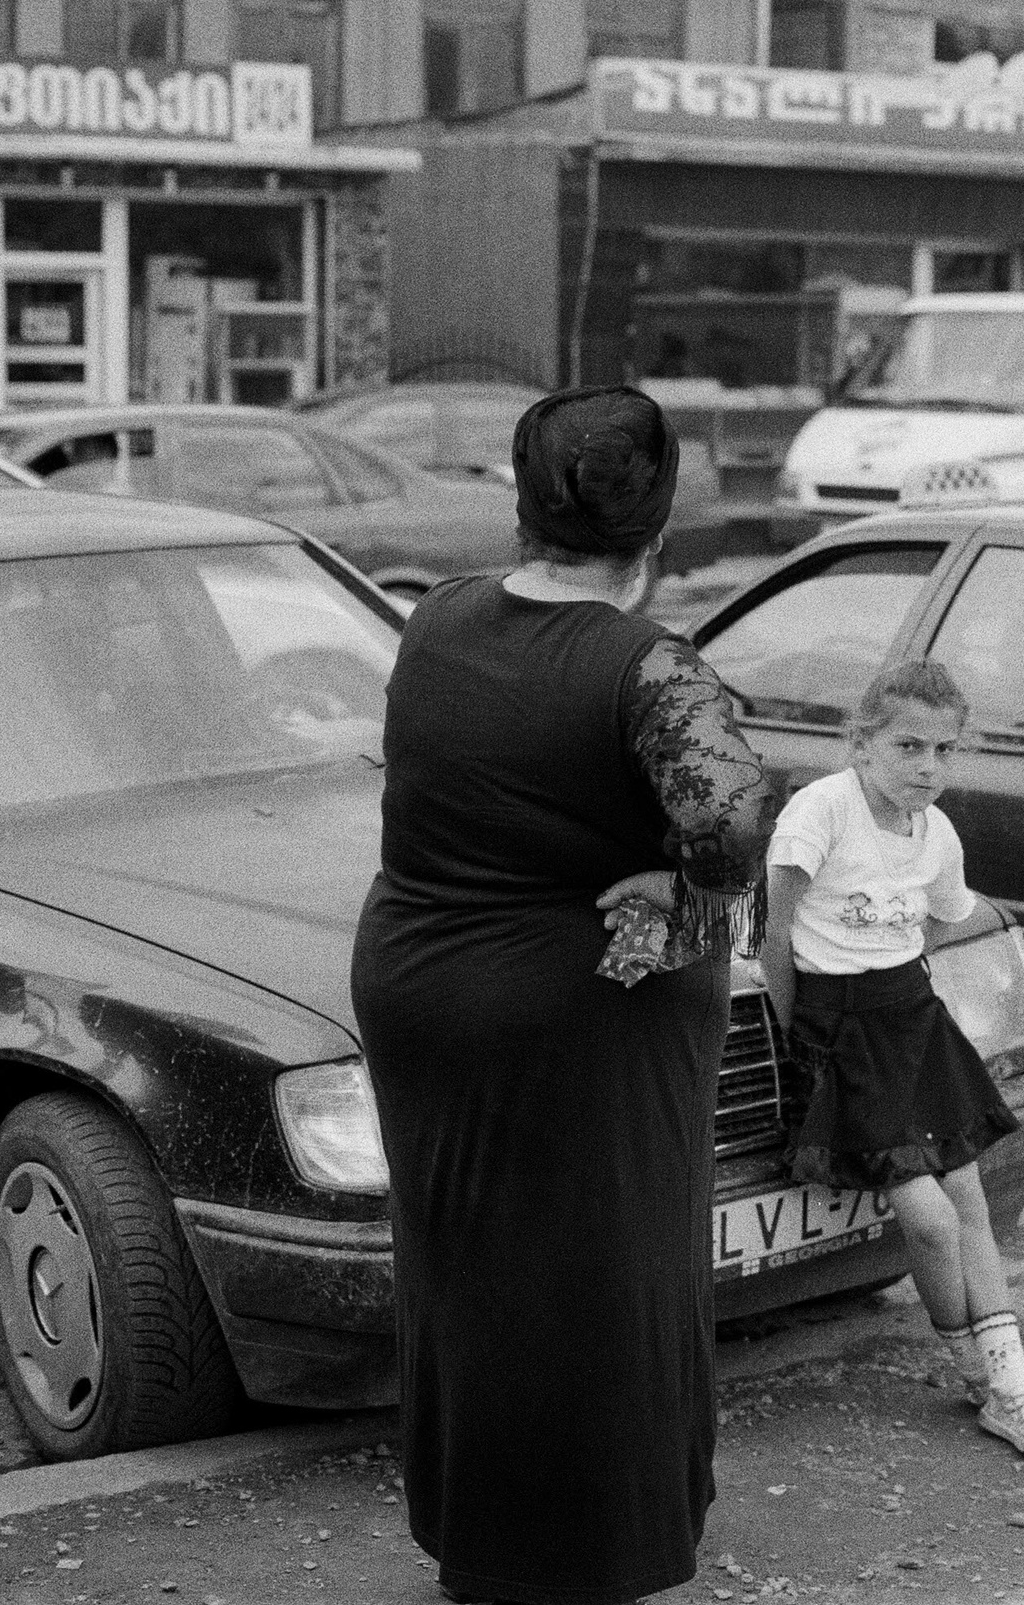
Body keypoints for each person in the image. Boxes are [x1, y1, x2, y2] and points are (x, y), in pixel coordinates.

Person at [351, 385, 777, 1605]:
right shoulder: (645, 663)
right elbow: (735, 816)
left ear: (521, 510)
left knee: (469, 1277)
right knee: (603, 1284)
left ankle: (474, 1541)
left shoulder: (436, 617)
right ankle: (590, 1560)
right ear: (654, 539)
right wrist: (688, 895)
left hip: (420, 992)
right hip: (578, 1017)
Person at [760, 661, 1024, 1459]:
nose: (928, 767)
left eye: (944, 749)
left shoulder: (937, 833)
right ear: (862, 743)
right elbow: (774, 935)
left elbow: (936, 922)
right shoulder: (820, 813)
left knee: (969, 1198)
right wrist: (800, 1039)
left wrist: (899, 973)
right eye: (908, 745)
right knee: (930, 1220)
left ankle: (1011, 1383)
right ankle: (983, 1374)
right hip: (841, 1032)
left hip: (911, 1017)